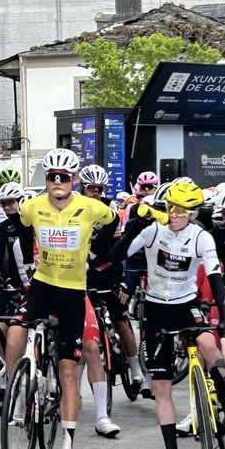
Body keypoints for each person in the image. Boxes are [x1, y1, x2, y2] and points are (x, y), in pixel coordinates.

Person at [106, 179, 225, 449]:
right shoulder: (153, 231)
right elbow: (115, 256)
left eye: (184, 211)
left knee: (207, 342)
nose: (176, 215)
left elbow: (214, 274)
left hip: (186, 302)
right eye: (172, 209)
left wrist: (222, 310)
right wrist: (136, 223)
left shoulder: (200, 236)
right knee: (161, 386)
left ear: (193, 214)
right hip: (155, 308)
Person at [2, 148, 117, 449]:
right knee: (14, 332)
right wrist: (27, 259)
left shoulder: (91, 207)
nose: (56, 182)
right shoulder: (32, 206)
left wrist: (97, 254)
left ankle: (67, 447)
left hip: (72, 293)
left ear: (74, 180)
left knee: (68, 373)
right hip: (42, 286)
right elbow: (22, 226)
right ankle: (17, 390)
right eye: (51, 176)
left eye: (63, 178)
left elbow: (114, 221)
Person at [79, 164, 142, 432]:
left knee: (119, 320)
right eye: (91, 188)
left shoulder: (110, 214)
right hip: (81, 274)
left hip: (105, 270)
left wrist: (122, 281)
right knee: (84, 334)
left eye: (100, 189)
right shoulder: (76, 207)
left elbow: (118, 249)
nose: (95, 192)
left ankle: (136, 369)